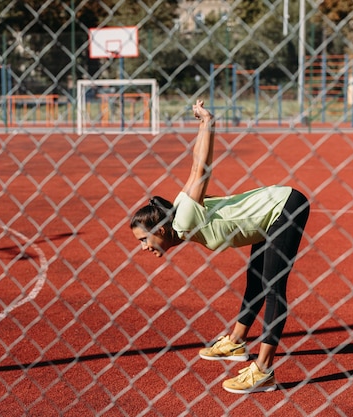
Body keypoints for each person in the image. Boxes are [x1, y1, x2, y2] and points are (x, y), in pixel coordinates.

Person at [130, 100, 310, 394]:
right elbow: (192, 169)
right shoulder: (178, 213)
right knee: (256, 280)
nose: (143, 248)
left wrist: (207, 124)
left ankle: (264, 371)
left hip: (284, 208)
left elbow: (200, 168)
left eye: (143, 240)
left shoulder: (184, 219)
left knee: (273, 287)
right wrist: (203, 124)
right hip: (267, 216)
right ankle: (237, 342)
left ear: (159, 229)